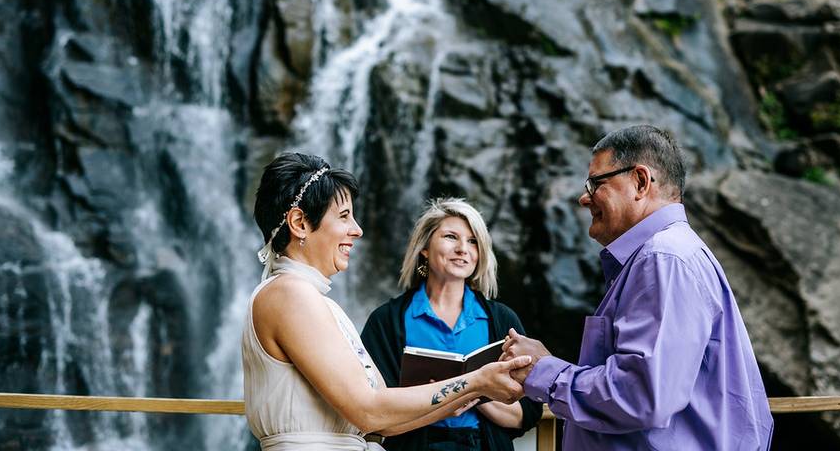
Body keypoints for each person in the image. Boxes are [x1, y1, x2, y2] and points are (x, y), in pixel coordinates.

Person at [502, 126, 774, 450]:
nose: (584, 197)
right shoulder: (669, 254)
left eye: (596, 183)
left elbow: (642, 394)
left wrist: (543, 372)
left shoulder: (664, 258)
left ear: (641, 182)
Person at [242, 154, 531, 450]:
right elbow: (368, 411)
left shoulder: (312, 298)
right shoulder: (291, 295)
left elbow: (386, 423)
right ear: (300, 223)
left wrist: (461, 395)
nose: (357, 229)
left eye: (472, 241)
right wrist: (477, 381)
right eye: (344, 216)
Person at [360, 198, 543, 451]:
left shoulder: (502, 320)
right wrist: (467, 387)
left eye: (472, 241)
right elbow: (377, 412)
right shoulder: (386, 321)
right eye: (450, 237)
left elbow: (527, 413)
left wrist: (474, 390)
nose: (462, 249)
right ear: (424, 247)